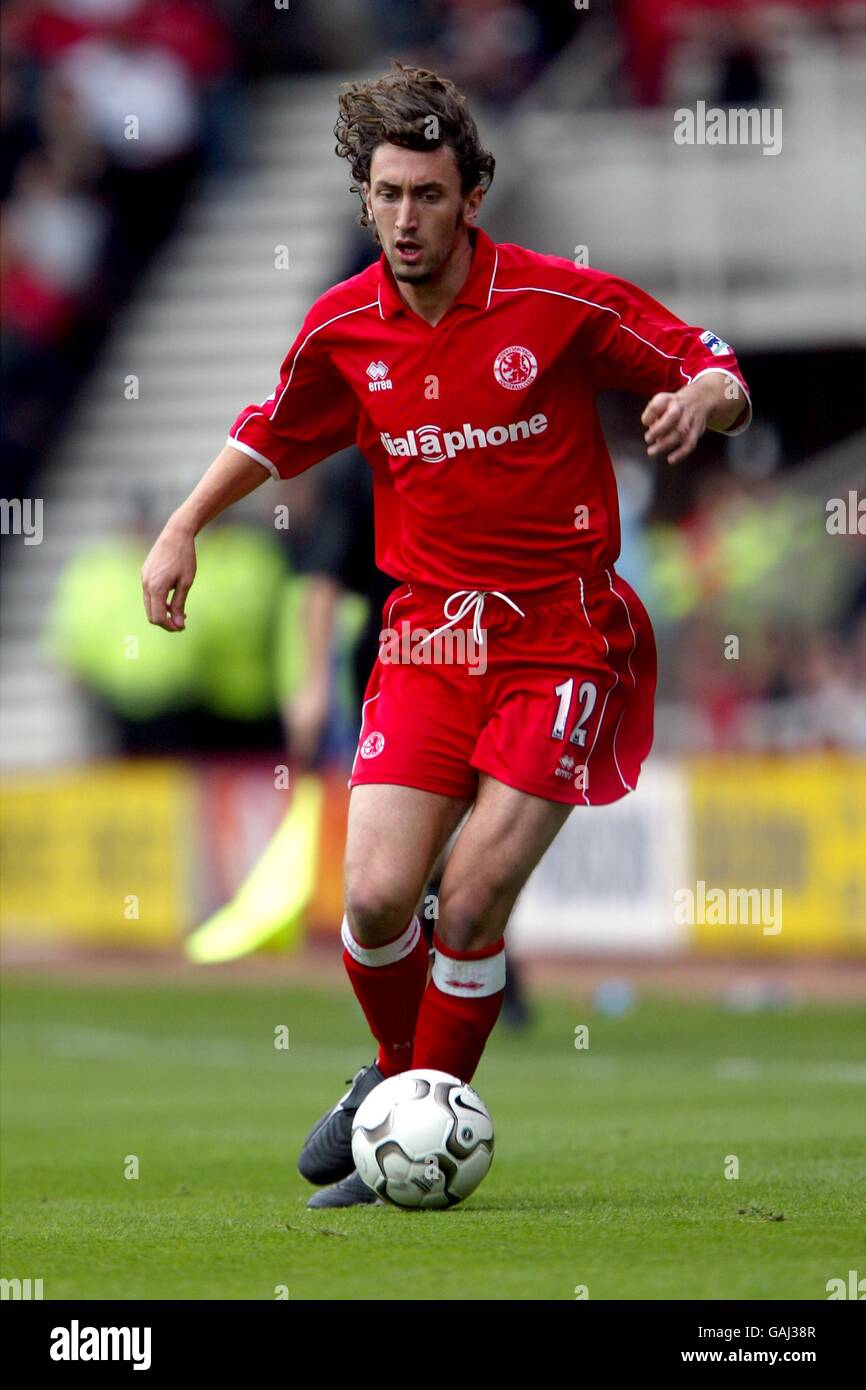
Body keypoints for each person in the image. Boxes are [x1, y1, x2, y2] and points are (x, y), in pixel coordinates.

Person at [141, 61, 752, 1207]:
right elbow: (272, 433)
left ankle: (403, 1148)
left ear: (471, 194)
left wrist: (700, 399)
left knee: (467, 902)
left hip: (560, 640)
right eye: (386, 194)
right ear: (362, 199)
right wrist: (182, 527)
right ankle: (393, 1088)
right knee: (374, 899)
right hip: (424, 643)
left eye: (427, 193)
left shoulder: (552, 302)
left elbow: (707, 361)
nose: (405, 217)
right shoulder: (342, 328)